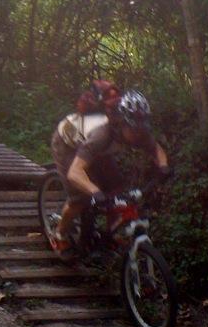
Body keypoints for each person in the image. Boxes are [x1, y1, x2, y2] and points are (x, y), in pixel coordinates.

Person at [50, 83, 170, 260]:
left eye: (141, 129)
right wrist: (95, 192)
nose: (138, 134)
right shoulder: (103, 135)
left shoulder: (138, 129)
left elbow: (155, 149)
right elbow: (75, 173)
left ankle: (109, 235)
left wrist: (164, 167)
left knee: (117, 188)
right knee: (80, 199)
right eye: (134, 130)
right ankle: (59, 235)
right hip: (67, 143)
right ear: (122, 123)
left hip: (98, 151)